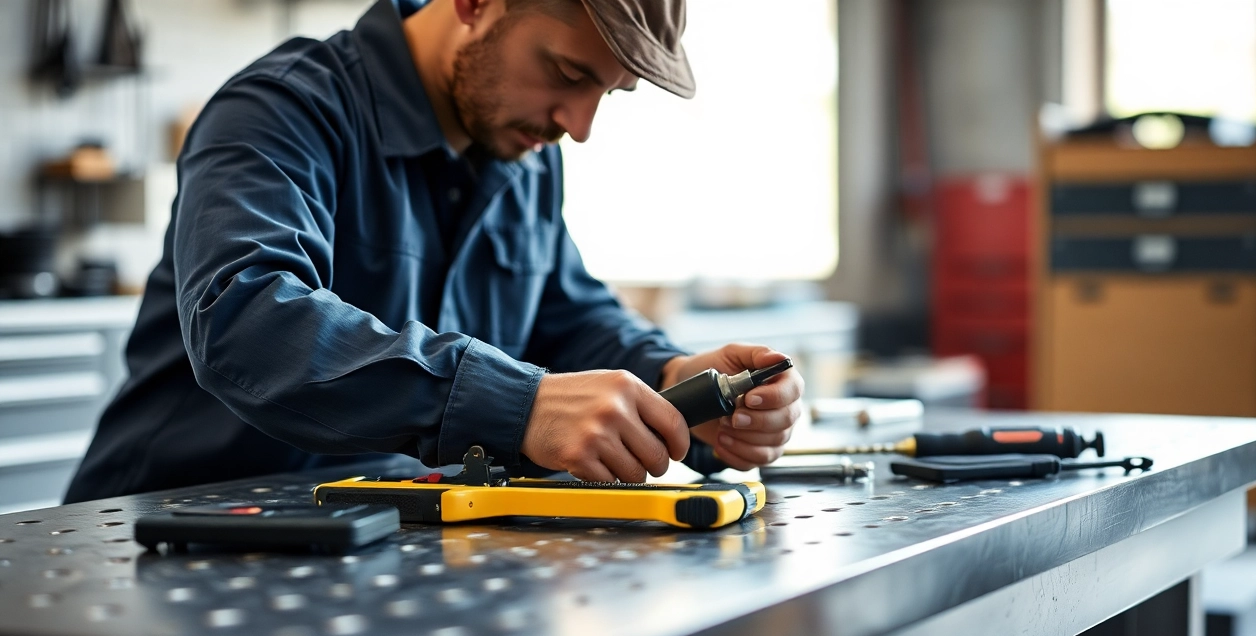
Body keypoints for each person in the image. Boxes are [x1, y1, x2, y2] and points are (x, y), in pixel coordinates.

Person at [64, 0, 804, 503]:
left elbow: (566, 317)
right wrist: (518, 406)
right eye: (568, 74)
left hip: (374, 544)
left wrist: (675, 386)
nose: (576, 125)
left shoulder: (524, 156)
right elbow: (249, 323)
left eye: (606, 94)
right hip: (169, 543)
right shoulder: (281, 110)